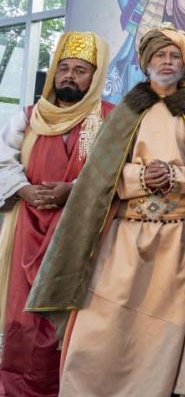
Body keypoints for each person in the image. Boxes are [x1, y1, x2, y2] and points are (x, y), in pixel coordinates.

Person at [25, 24, 185, 397]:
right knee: (103, 319)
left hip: (178, 241)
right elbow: (100, 175)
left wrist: (174, 175)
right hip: (126, 235)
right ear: (147, 62)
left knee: (166, 328)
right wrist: (141, 176)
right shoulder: (127, 112)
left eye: (174, 57)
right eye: (160, 55)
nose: (167, 62)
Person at [0, 32, 112, 397]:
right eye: (63, 68)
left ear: (93, 78)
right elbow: (3, 159)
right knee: (23, 316)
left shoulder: (106, 119)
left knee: (80, 314)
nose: (69, 76)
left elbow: (111, 167)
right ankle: (21, 389)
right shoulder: (29, 117)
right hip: (28, 224)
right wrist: (24, 189)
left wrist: (72, 189)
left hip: (80, 228)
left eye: (80, 70)